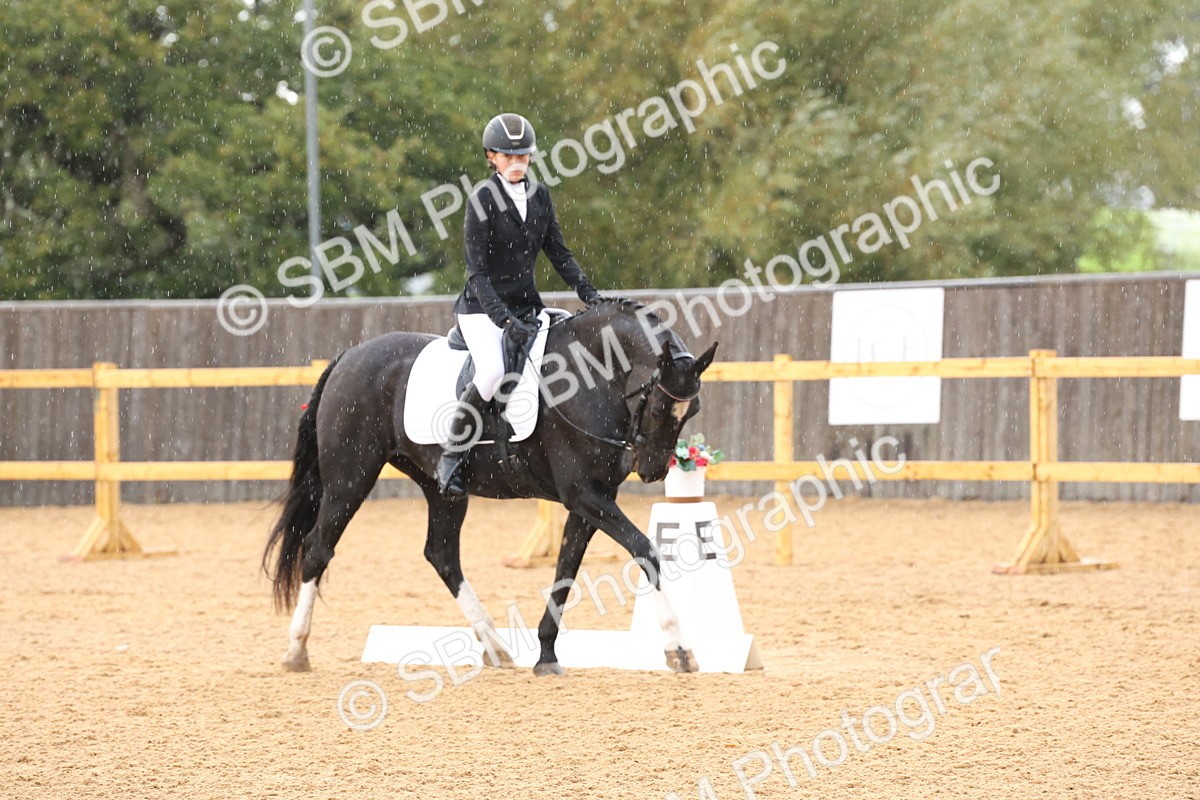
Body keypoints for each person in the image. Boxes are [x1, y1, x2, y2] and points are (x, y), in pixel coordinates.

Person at [437, 112, 602, 499]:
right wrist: (504, 320)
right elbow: (477, 273)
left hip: (526, 307)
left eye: (523, 156)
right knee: (492, 371)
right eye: (508, 156)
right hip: (482, 310)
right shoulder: (481, 200)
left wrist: (588, 291)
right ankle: (451, 456)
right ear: (491, 157)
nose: (516, 163)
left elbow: (558, 252)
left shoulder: (540, 195)